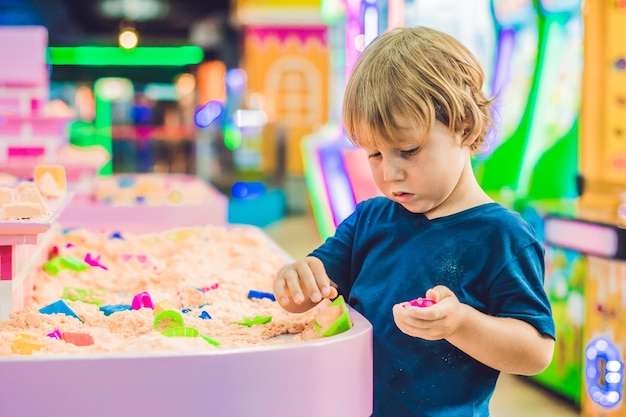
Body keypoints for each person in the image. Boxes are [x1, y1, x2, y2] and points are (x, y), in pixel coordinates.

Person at [273, 26, 555, 416]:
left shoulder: (502, 237)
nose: (390, 173)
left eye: (408, 150)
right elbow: (316, 283)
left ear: (464, 127)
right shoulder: (369, 219)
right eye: (374, 154)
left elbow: (536, 351)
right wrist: (297, 279)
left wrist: (460, 324)